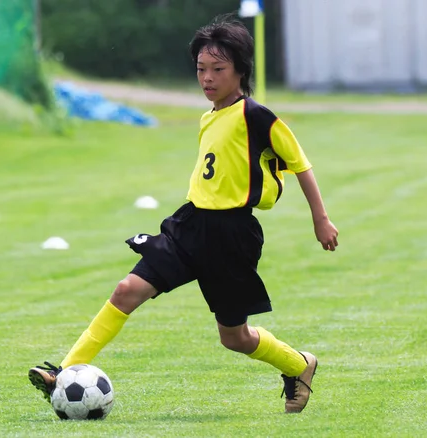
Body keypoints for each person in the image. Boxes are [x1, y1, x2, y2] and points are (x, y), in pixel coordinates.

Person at [29, 15, 339, 414]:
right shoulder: (209, 115)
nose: (207, 78)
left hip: (232, 236)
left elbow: (300, 164)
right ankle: (64, 370)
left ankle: (299, 364)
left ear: (240, 71)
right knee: (126, 291)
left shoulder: (256, 115)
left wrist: (321, 218)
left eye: (218, 70)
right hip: (189, 224)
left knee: (235, 337)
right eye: (200, 70)